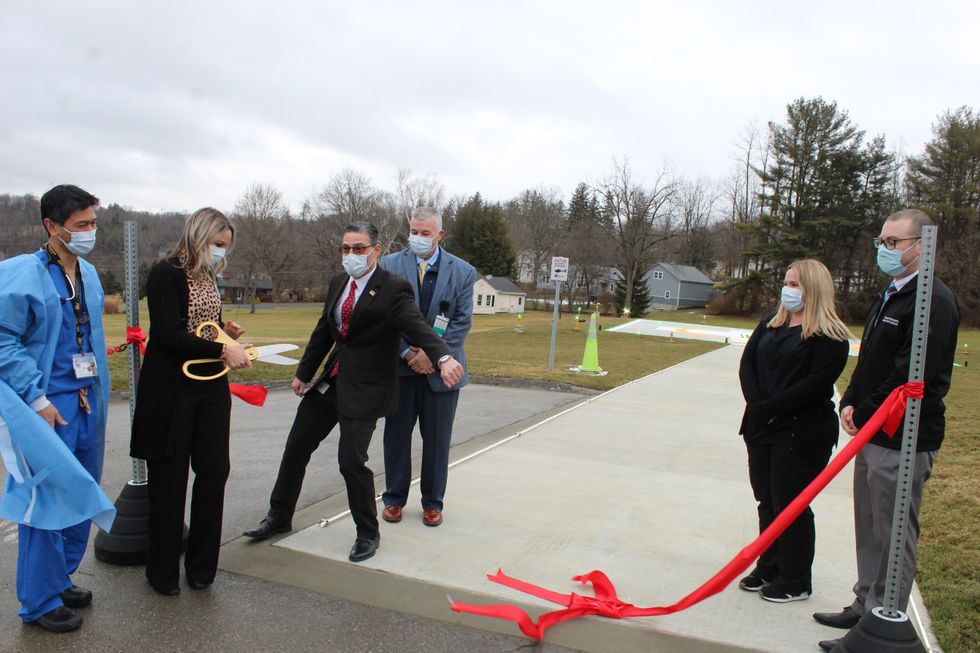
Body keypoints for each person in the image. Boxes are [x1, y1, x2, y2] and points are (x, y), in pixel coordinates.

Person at [243, 222, 464, 562]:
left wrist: (443, 356)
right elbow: (324, 331)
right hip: (332, 379)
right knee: (297, 446)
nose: (351, 255)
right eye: (346, 249)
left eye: (359, 249)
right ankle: (279, 516)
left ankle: (367, 533)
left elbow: (416, 326)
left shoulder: (393, 288)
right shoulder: (338, 283)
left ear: (375, 250)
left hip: (367, 389)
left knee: (350, 461)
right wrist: (304, 372)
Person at [813, 209, 959, 651]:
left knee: (895, 532)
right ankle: (866, 604)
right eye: (882, 240)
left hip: (903, 436)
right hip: (872, 430)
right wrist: (851, 399)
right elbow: (870, 357)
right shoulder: (892, 294)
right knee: (870, 525)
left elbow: (910, 374)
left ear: (921, 245)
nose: (884, 249)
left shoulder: (931, 299)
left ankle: (883, 621)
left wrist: (869, 408)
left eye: (894, 242)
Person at [0, 184, 115, 633]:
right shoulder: (22, 274)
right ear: (51, 226)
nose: (89, 232)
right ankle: (38, 600)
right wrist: (36, 396)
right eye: (80, 225)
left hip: (87, 401)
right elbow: (4, 338)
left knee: (79, 491)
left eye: (93, 223)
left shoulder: (87, 273)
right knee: (45, 499)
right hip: (47, 404)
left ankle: (60, 577)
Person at [130, 208, 252, 596]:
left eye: (225, 247)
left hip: (209, 390)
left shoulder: (208, 278)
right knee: (170, 480)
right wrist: (223, 348)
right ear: (198, 237)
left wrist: (224, 332)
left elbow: (201, 325)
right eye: (217, 245)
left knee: (214, 472)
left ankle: (201, 568)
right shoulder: (166, 274)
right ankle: (162, 572)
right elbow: (167, 334)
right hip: (171, 390)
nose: (221, 252)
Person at [737, 259, 852, 604]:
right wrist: (759, 407)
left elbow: (815, 384)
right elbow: (748, 365)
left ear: (814, 289)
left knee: (792, 504)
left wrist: (770, 410)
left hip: (801, 432)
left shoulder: (830, 336)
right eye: (787, 282)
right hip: (762, 427)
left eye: (797, 285)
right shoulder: (771, 325)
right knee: (767, 501)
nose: (788, 290)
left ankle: (796, 577)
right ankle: (769, 565)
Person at [379, 206, 476, 527]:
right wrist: (408, 353)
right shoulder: (389, 266)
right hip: (400, 367)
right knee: (396, 437)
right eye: (414, 232)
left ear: (439, 235)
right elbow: (384, 318)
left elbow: (461, 322)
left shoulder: (462, 272)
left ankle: (433, 502)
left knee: (437, 441)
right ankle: (394, 498)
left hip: (443, 373)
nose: (418, 238)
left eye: (425, 233)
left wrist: (432, 356)